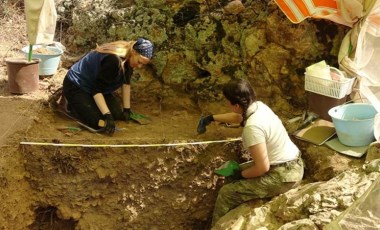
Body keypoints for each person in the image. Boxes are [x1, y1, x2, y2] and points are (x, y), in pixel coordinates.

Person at [197, 79, 304, 226]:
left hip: (284, 176)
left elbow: (262, 167)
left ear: (236, 105)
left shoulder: (252, 128)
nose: (226, 104)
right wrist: (211, 118)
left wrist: (240, 175)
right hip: (290, 163)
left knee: (226, 193)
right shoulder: (259, 107)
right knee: (231, 177)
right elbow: (238, 117)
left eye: (227, 101)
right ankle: (231, 215)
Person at [62, 38, 154, 136]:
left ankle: (87, 104)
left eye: (143, 64)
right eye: (139, 62)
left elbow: (126, 83)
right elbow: (96, 89)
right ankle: (73, 106)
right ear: (134, 52)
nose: (139, 66)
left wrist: (127, 110)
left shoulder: (129, 59)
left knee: (117, 114)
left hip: (97, 87)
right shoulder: (113, 60)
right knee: (100, 123)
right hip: (76, 85)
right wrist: (107, 115)